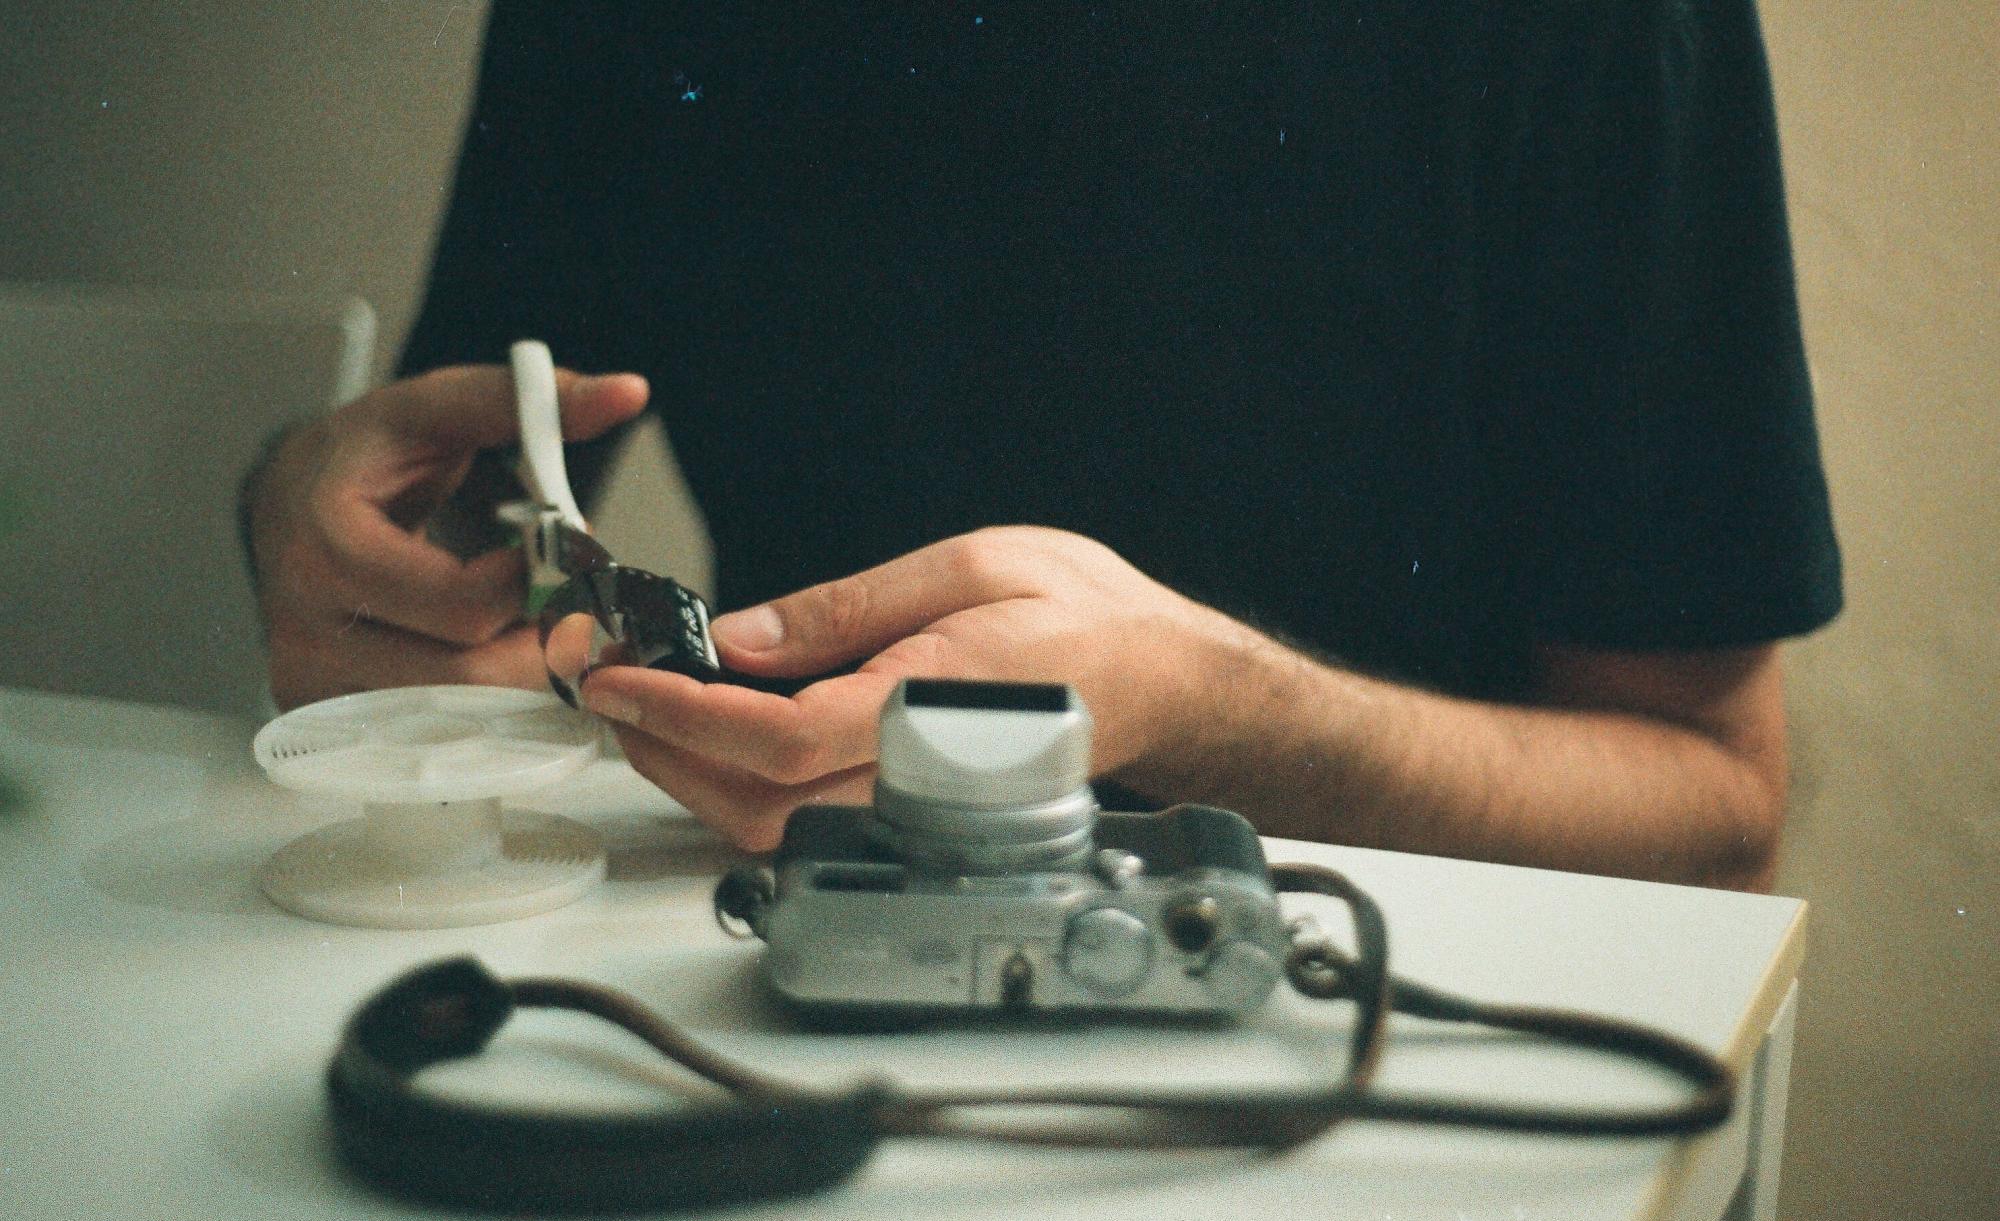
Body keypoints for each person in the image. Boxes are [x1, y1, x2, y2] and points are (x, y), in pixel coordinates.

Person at [242, 3, 1841, 889]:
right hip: (752, 978)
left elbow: (1710, 802)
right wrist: (314, 526)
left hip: (1382, 1025)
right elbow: (482, 503)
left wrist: (1229, 716)